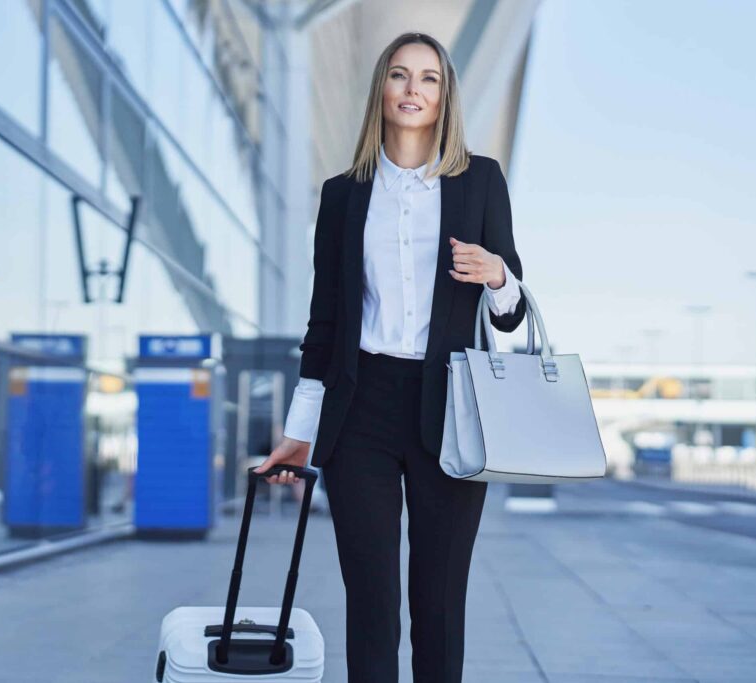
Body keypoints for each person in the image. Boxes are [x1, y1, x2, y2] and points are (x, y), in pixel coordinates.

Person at [254, 31, 528, 683]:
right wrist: (299, 431)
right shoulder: (344, 194)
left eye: (429, 78)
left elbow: (512, 313)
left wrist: (498, 275)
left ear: (445, 95)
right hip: (362, 410)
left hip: (452, 407)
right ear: (381, 88)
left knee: (438, 604)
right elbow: (324, 324)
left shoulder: (481, 181)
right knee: (373, 604)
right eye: (400, 75)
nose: (413, 89)